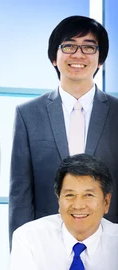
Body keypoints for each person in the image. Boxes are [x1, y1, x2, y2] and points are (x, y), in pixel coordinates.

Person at [9, 16, 118, 241]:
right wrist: (20, 251)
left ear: (100, 60)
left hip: (109, 242)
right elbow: (21, 194)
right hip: (47, 241)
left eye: (89, 47)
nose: (78, 54)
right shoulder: (28, 114)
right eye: (69, 46)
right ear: (54, 58)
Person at [4, 154, 118, 270]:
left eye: (88, 195)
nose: (78, 205)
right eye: (70, 195)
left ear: (106, 202)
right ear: (59, 200)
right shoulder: (28, 236)